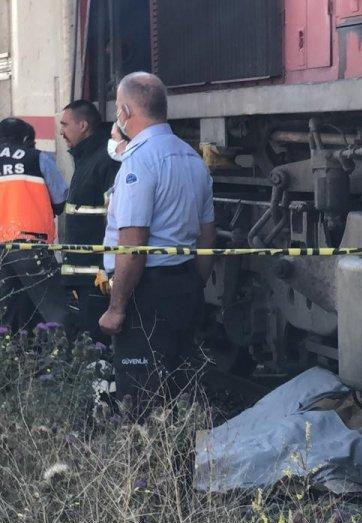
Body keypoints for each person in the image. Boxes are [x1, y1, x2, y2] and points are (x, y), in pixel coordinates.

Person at [98, 72, 215, 417]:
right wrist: (195, 284)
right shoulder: (192, 158)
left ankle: (148, 469)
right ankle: (178, 466)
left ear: (125, 111)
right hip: (183, 284)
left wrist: (117, 307)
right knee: (179, 393)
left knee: (141, 399)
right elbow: (207, 235)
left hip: (144, 293)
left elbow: (133, 242)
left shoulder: (140, 159)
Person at [0, 117, 69, 330]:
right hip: (30, 247)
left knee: (7, 314)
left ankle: (12, 360)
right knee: (56, 310)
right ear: (25, 138)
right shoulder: (37, 158)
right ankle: (70, 358)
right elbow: (60, 200)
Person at [60, 100, 121, 334]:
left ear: (83, 125)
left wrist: (108, 272)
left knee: (97, 344)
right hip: (84, 278)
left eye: (65, 124)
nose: (61, 132)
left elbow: (113, 218)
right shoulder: (86, 159)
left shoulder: (104, 161)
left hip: (97, 280)